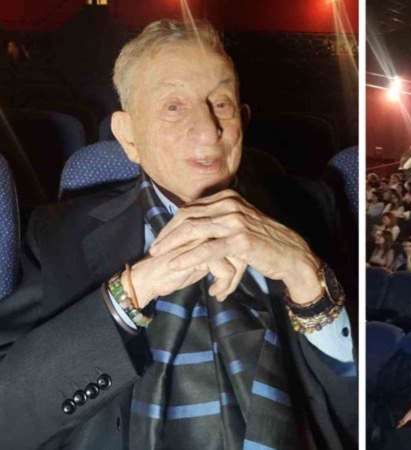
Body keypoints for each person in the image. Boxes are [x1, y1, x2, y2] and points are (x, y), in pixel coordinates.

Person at [0, 20, 355, 450]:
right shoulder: (59, 235)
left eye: (221, 103)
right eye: (173, 106)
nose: (208, 130)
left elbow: (358, 410)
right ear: (129, 136)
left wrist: (309, 283)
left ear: (242, 120)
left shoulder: (311, 209)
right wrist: (132, 291)